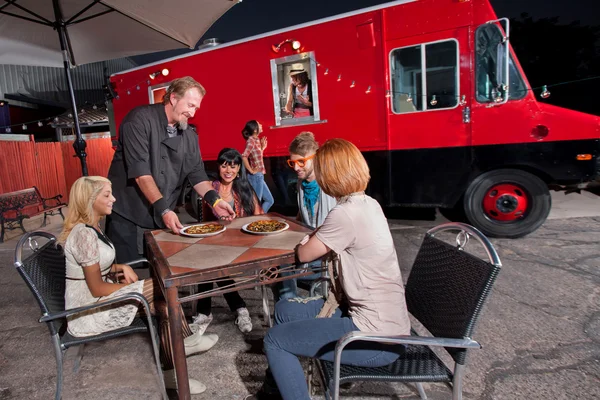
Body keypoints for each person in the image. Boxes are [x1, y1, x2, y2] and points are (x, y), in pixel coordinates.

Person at [253, 139, 411, 400]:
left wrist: (308, 239)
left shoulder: (345, 214)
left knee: (275, 340)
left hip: (377, 338)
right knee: (285, 309)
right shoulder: (369, 203)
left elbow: (304, 253)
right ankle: (279, 388)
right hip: (380, 319)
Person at [59, 176, 219, 394]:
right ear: (89, 199)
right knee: (158, 288)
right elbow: (96, 288)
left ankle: (172, 373)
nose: (114, 199)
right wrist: (135, 290)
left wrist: (120, 267)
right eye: (107, 195)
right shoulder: (84, 234)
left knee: (162, 305)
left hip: (96, 300)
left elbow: (95, 266)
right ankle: (185, 343)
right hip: (87, 312)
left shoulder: (92, 227)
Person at [105, 76, 235, 265]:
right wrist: (164, 209)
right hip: (128, 214)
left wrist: (215, 201)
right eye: (190, 105)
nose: (192, 113)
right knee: (129, 276)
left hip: (160, 216)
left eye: (196, 108)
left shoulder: (189, 134)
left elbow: (197, 174)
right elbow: (141, 173)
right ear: (173, 98)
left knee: (160, 273)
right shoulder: (138, 120)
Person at [194, 148, 264, 334]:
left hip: (239, 243)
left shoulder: (244, 188)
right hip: (214, 241)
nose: (228, 171)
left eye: (233, 166)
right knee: (211, 264)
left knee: (210, 266)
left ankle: (204, 312)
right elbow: (196, 210)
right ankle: (240, 308)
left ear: (239, 168)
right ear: (218, 167)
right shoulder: (210, 187)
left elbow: (259, 216)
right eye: (224, 166)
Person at [272, 132, 336, 301]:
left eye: (301, 162)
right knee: (273, 266)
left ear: (315, 158)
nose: (296, 168)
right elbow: (304, 215)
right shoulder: (301, 183)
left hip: (327, 254)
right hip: (310, 249)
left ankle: (290, 309)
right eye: (292, 162)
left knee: (280, 269)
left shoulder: (329, 183)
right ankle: (290, 309)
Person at [242, 120, 274, 213]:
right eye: (259, 124)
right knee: (257, 204)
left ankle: (258, 218)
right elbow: (244, 156)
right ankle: (256, 221)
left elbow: (257, 158)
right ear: (255, 130)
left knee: (269, 200)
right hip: (255, 176)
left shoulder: (256, 140)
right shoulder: (251, 141)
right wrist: (251, 170)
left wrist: (262, 149)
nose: (261, 125)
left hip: (259, 175)